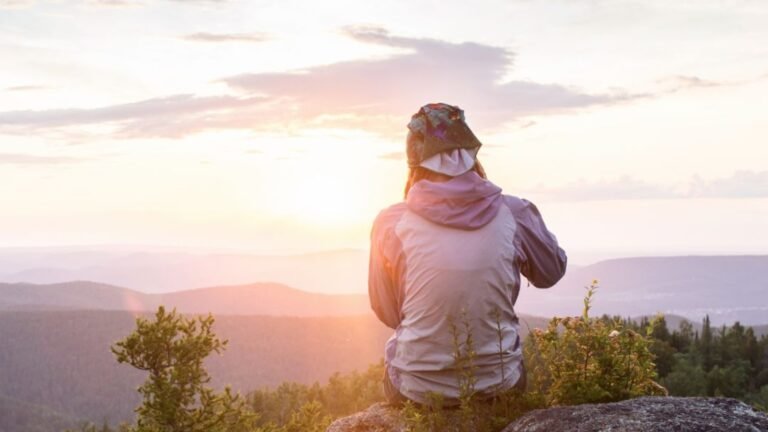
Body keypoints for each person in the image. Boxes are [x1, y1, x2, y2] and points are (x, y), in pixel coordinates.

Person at [368, 103, 567, 406]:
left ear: (414, 162)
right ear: (472, 154)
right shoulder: (514, 212)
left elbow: (387, 311)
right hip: (500, 385)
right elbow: (551, 272)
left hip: (415, 391)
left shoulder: (391, 223)